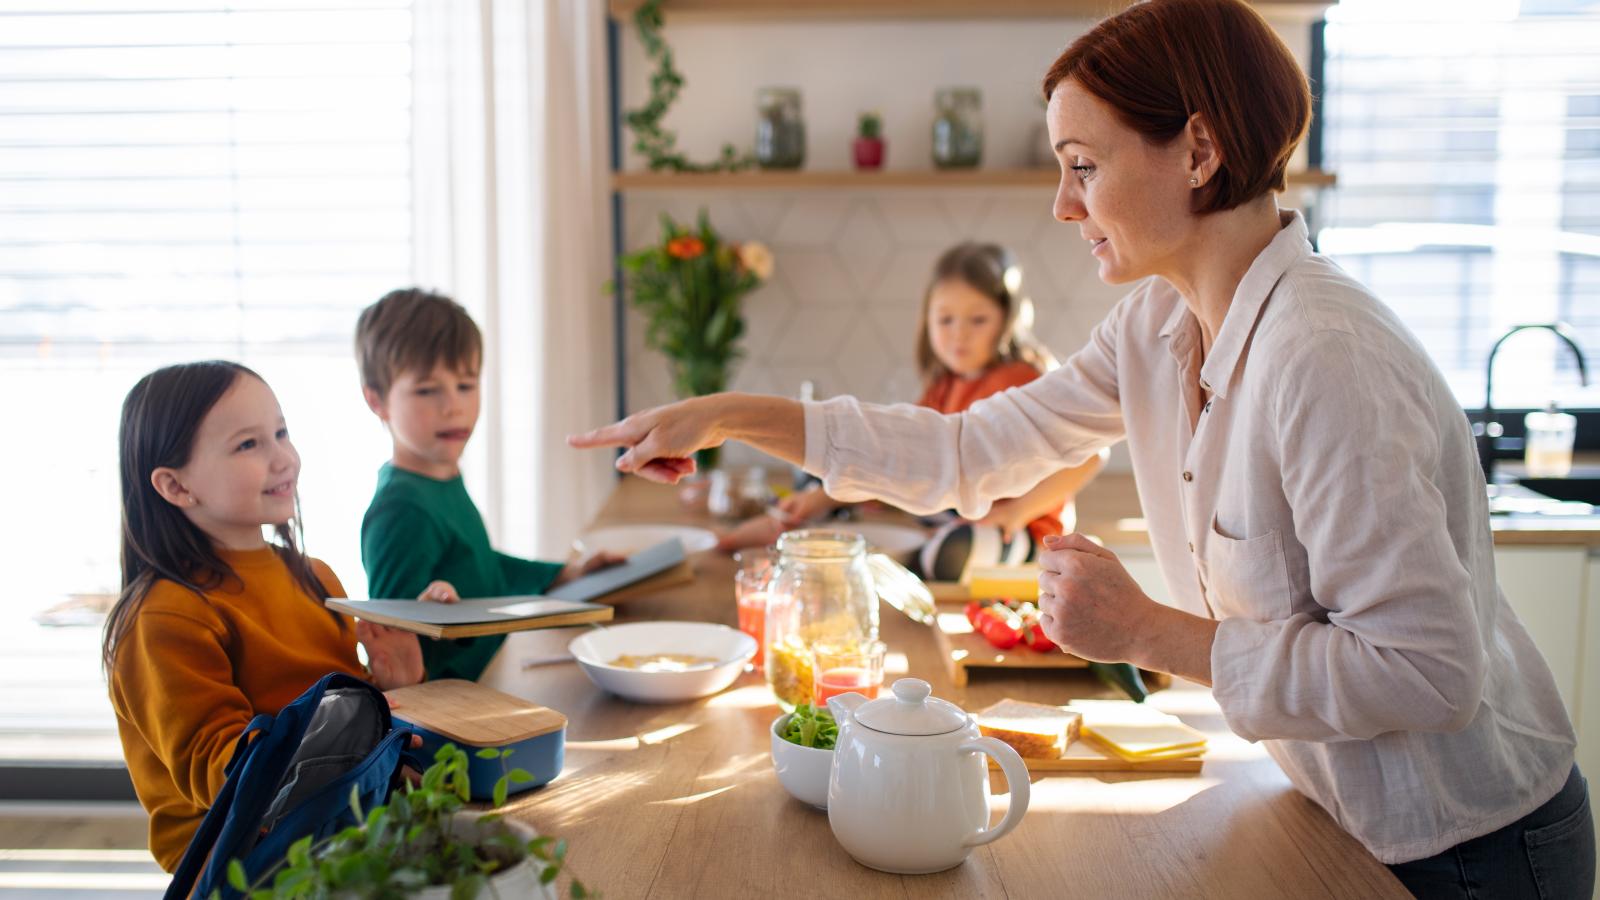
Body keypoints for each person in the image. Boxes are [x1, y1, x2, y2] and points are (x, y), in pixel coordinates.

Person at [569, 0, 1594, 894]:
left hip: (1466, 849)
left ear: (1198, 152)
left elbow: (1423, 674)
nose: (1063, 205)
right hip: (1329, 805)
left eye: (1083, 167)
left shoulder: (1324, 357)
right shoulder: (1154, 328)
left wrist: (1148, 633)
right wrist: (732, 413)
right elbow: (967, 453)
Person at [104, 361, 426, 872]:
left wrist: (393, 687)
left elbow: (333, 715)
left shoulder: (317, 578)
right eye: (248, 445)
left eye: (281, 432)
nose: (284, 458)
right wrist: (373, 751)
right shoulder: (164, 615)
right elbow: (229, 775)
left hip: (345, 821)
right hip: (245, 865)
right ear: (176, 486)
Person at [717, 242, 1103, 568]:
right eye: (945, 320)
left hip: (1019, 532)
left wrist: (1020, 511)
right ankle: (788, 533)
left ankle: (886, 562)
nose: (959, 335)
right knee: (842, 501)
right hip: (950, 518)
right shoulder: (943, 384)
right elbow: (901, 462)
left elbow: (1090, 454)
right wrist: (820, 499)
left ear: (1008, 319)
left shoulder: (1025, 377)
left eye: (978, 320)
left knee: (956, 548)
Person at [356, 288, 620, 682]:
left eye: (466, 385)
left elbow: (480, 564)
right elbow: (391, 642)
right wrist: (424, 617)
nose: (453, 406)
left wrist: (567, 572)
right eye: (428, 390)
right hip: (456, 705)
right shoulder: (401, 508)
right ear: (377, 401)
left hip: (497, 670)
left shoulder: (440, 476)